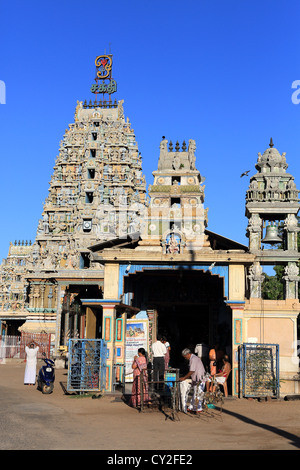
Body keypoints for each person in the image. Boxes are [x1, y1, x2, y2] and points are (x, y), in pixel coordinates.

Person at [179, 348, 206, 413]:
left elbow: (192, 371)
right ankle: (192, 407)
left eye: (185, 356)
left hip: (199, 378)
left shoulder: (193, 359)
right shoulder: (193, 358)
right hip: (197, 378)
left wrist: (184, 377)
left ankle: (198, 408)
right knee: (195, 393)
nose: (185, 358)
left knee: (198, 393)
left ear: (188, 354)